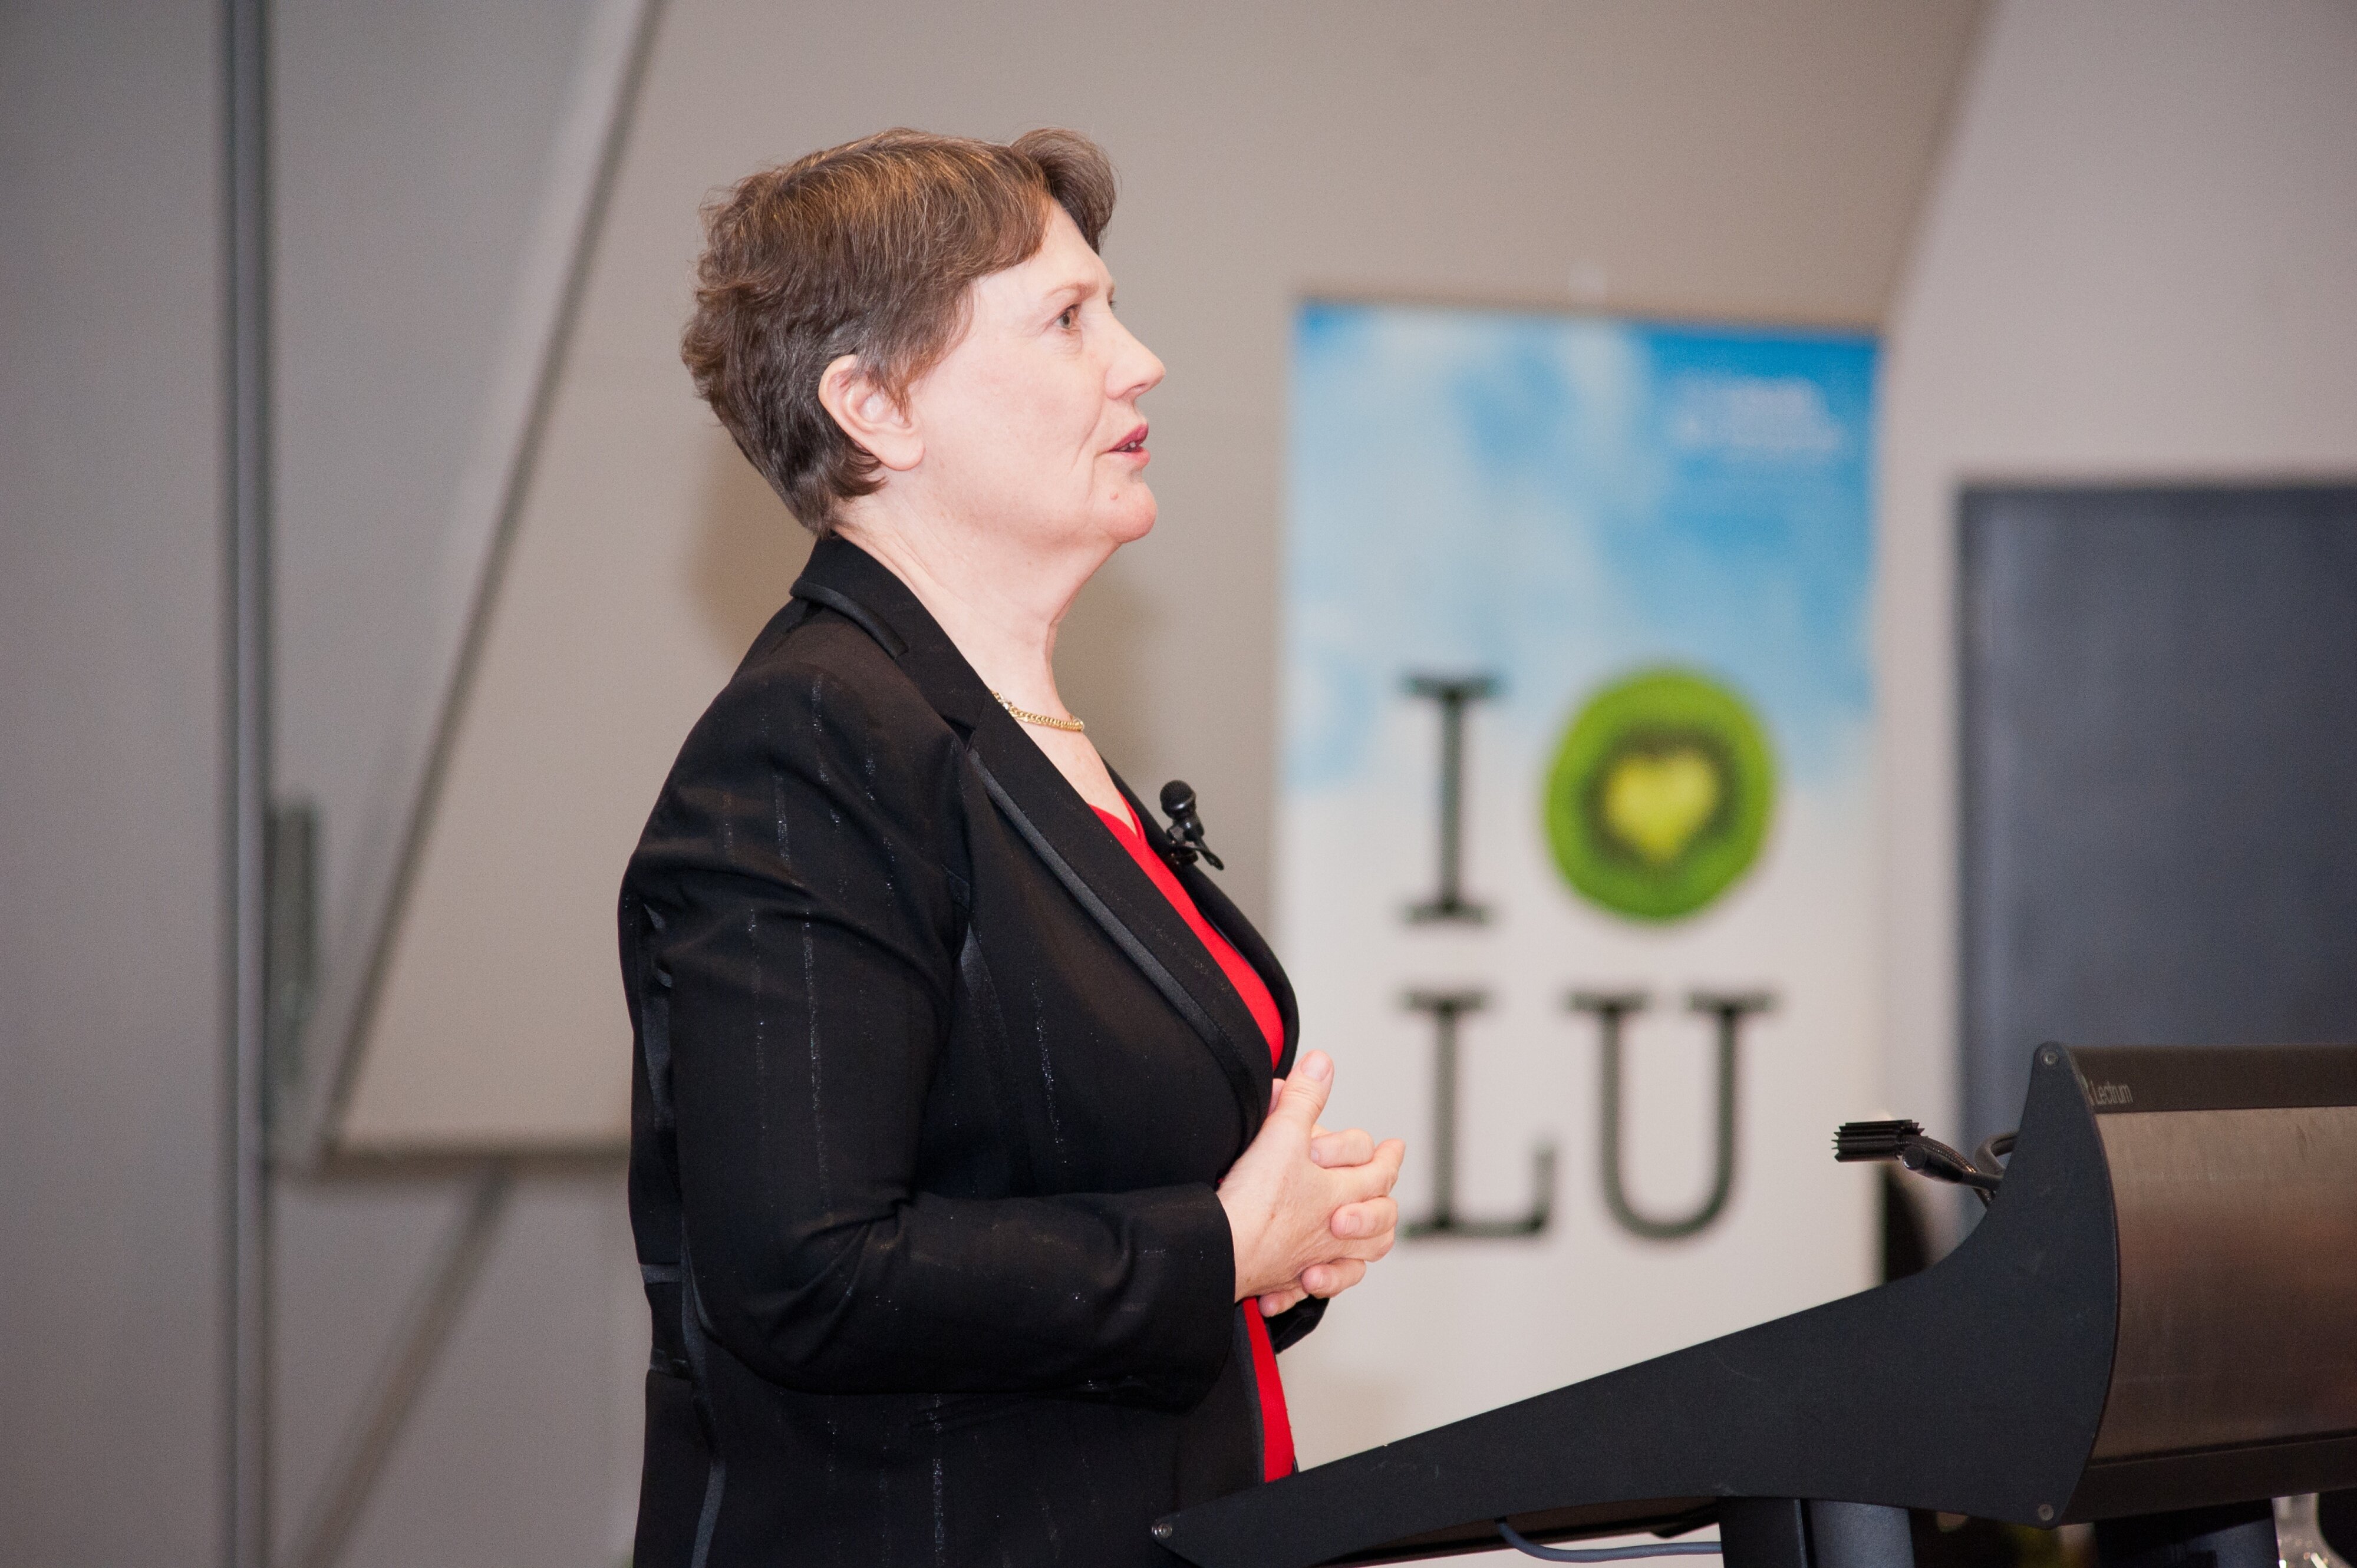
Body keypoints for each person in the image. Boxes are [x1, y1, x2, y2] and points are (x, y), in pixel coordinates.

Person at [619, 127, 1405, 1567]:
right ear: (873, 406)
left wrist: (1272, 1250)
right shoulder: (810, 741)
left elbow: (1029, 1191)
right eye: (1066, 318)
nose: (1140, 358)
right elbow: (805, 1268)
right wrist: (1212, 1247)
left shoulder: (999, 728)